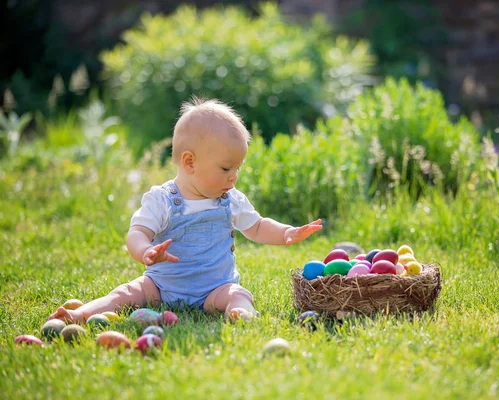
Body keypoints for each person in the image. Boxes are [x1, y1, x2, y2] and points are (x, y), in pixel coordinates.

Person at [49, 97, 322, 323]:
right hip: (161, 288)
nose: (234, 177)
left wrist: (287, 232)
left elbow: (258, 226)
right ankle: (80, 314)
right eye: (226, 168)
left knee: (239, 293)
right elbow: (137, 233)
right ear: (189, 162)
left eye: (237, 168)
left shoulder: (231, 199)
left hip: (214, 290)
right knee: (127, 293)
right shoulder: (163, 200)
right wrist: (145, 251)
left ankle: (241, 314)